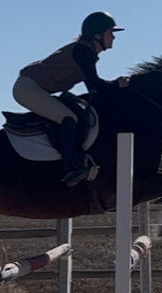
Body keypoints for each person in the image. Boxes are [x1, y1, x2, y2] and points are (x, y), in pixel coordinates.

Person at [12, 11, 125, 186]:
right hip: (27, 89)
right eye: (110, 33)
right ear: (97, 35)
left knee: (74, 110)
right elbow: (94, 85)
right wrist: (117, 84)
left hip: (35, 88)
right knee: (68, 117)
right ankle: (72, 167)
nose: (113, 38)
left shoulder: (85, 50)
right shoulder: (83, 51)